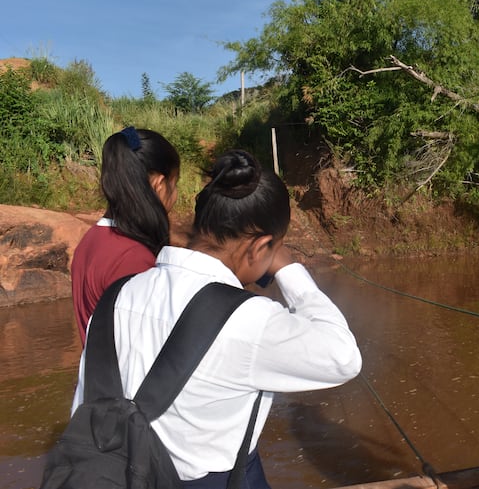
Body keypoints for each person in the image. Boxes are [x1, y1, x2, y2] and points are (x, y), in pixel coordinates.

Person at [71, 149, 362, 488]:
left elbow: (84, 403)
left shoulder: (116, 296)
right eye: (273, 249)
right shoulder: (250, 319)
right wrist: (289, 270)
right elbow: (343, 358)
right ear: (260, 247)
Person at [70, 126, 180, 344]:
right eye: (175, 184)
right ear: (158, 185)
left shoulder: (92, 239)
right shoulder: (132, 256)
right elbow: (145, 346)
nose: (176, 195)